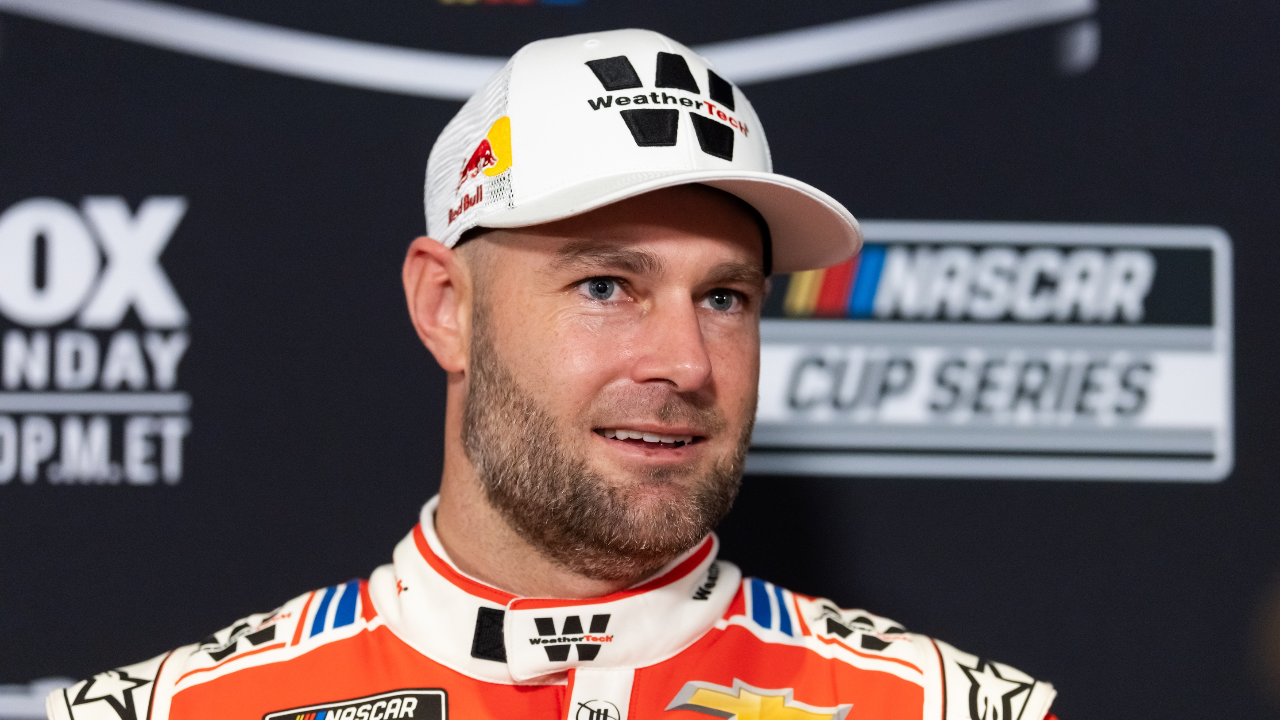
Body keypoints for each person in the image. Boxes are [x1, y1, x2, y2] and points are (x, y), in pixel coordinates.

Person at [49, 29, 1057, 720]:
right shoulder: (172, 710)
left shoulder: (946, 709)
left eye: (724, 298)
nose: (684, 363)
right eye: (606, 286)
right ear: (446, 307)